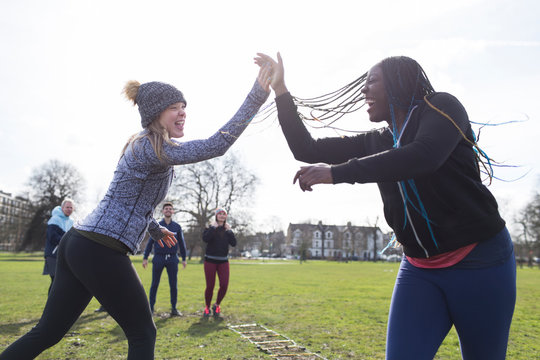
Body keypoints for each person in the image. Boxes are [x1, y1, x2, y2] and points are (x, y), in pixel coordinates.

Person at [0, 62, 271, 360]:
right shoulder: (152, 147)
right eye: (175, 107)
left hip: (78, 243)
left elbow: (126, 199)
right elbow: (216, 145)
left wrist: (154, 227)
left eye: (184, 106)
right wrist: (258, 93)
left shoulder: (143, 145)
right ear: (156, 114)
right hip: (99, 248)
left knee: (48, 332)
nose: (183, 112)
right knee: (143, 333)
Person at [255, 53, 516, 360]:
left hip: (480, 262)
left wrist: (337, 173)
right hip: (420, 270)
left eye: (372, 81)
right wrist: (281, 90)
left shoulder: (443, 107)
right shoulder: (377, 140)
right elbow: (306, 148)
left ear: (398, 83)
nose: (363, 90)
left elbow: (424, 156)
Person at [142, 201, 187, 316]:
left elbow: (181, 243)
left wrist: (184, 258)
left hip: (172, 259)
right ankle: (150, 308)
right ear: (163, 211)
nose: (168, 210)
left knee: (173, 284)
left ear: (173, 211)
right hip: (159, 258)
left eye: (170, 209)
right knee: (154, 284)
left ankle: (174, 308)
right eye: (166, 208)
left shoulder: (177, 227)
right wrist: (145, 257)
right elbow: (150, 243)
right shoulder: (157, 226)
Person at [202, 208, 236, 317]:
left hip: (223, 261)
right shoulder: (210, 227)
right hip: (210, 261)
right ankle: (207, 307)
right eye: (219, 214)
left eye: (223, 214)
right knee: (210, 286)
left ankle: (216, 305)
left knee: (224, 285)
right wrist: (213, 228)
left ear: (226, 216)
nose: (221, 216)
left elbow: (234, 243)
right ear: (216, 216)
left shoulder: (227, 230)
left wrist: (230, 231)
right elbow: (205, 239)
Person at [43, 199, 74, 293]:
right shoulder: (55, 219)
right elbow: (52, 237)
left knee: (63, 281)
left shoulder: (71, 221)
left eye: (71, 207)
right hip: (53, 255)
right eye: (67, 207)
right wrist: (67, 241)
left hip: (64, 255)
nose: (69, 209)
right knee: (56, 281)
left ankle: (59, 305)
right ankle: (50, 306)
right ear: (62, 208)